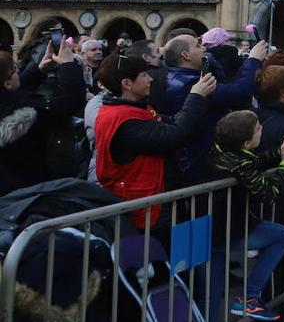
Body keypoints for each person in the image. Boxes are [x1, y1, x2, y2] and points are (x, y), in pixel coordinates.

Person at [95, 53, 216, 226]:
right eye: (144, 75)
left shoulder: (136, 108)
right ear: (127, 83)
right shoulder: (124, 119)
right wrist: (196, 97)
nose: (150, 79)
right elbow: (175, 135)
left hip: (158, 198)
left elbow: (173, 122)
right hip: (148, 207)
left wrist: (199, 95)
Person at [210, 110, 284, 322]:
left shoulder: (221, 152)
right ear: (246, 142)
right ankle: (250, 298)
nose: (263, 129)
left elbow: (252, 163)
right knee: (283, 235)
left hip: (207, 227)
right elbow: (268, 193)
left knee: (211, 290)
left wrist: (280, 152)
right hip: (226, 229)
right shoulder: (240, 163)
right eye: (259, 128)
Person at [163, 35, 267, 180]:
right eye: (198, 46)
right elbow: (239, 92)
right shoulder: (189, 83)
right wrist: (254, 59)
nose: (204, 48)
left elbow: (230, 88)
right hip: (200, 160)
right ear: (185, 55)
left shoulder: (178, 77)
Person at [0, 42, 86, 193]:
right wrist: (68, 65)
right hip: (21, 193)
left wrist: (39, 70)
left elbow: (11, 93)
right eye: (14, 71)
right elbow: (69, 102)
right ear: (7, 82)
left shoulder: (10, 101)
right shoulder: (26, 113)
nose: (18, 73)